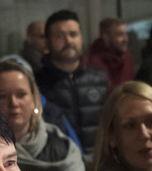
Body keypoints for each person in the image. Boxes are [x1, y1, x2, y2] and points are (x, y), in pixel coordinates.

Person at [35, 10, 109, 153]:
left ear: (81, 38)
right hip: (61, 166)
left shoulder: (99, 79)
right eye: (59, 36)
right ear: (48, 42)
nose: (68, 41)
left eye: (73, 34)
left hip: (99, 163)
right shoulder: (37, 84)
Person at [87, 18, 135, 91]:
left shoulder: (127, 57)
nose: (126, 39)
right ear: (107, 37)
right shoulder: (94, 62)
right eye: (120, 35)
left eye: (126, 34)